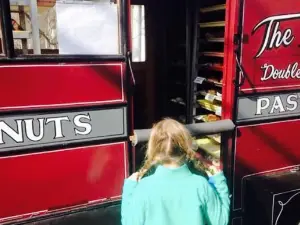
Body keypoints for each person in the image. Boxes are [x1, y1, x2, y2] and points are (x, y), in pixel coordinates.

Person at [121, 118, 230, 225]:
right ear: (186, 148)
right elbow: (221, 221)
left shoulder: (144, 187)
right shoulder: (201, 185)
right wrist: (220, 181)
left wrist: (129, 188)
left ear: (154, 149)